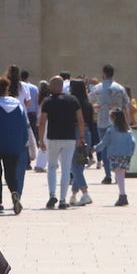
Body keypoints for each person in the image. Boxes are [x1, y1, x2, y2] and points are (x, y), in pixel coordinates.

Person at [38, 76, 85, 210]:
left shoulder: (47, 101)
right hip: (69, 138)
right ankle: (63, 199)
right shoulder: (73, 100)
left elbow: (42, 122)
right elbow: (80, 120)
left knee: (52, 167)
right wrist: (81, 136)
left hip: (53, 138)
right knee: (66, 169)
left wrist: (41, 139)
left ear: (52, 87)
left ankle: (52, 194)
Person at [0, 76, 29, 215]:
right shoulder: (18, 105)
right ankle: (15, 193)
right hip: (14, 145)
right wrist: (23, 142)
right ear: (7, 88)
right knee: (11, 174)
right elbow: (24, 125)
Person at [89, 64, 133, 184]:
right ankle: (118, 173)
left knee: (104, 147)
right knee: (117, 146)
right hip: (118, 120)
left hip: (102, 119)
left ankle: (107, 174)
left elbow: (90, 101)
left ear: (103, 73)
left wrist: (97, 107)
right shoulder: (120, 88)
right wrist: (128, 121)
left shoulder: (97, 88)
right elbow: (126, 105)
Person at [93, 109, 135, 206]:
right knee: (121, 174)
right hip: (126, 155)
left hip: (115, 155)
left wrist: (95, 149)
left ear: (114, 118)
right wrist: (130, 153)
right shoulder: (128, 130)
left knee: (119, 174)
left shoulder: (111, 130)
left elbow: (104, 143)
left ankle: (122, 195)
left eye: (110, 117)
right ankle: (122, 194)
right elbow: (133, 143)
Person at [68, 79, 95, 206]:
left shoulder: (73, 103)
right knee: (79, 165)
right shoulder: (88, 104)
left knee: (74, 165)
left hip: (76, 133)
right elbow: (92, 122)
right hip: (87, 133)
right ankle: (74, 194)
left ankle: (85, 193)